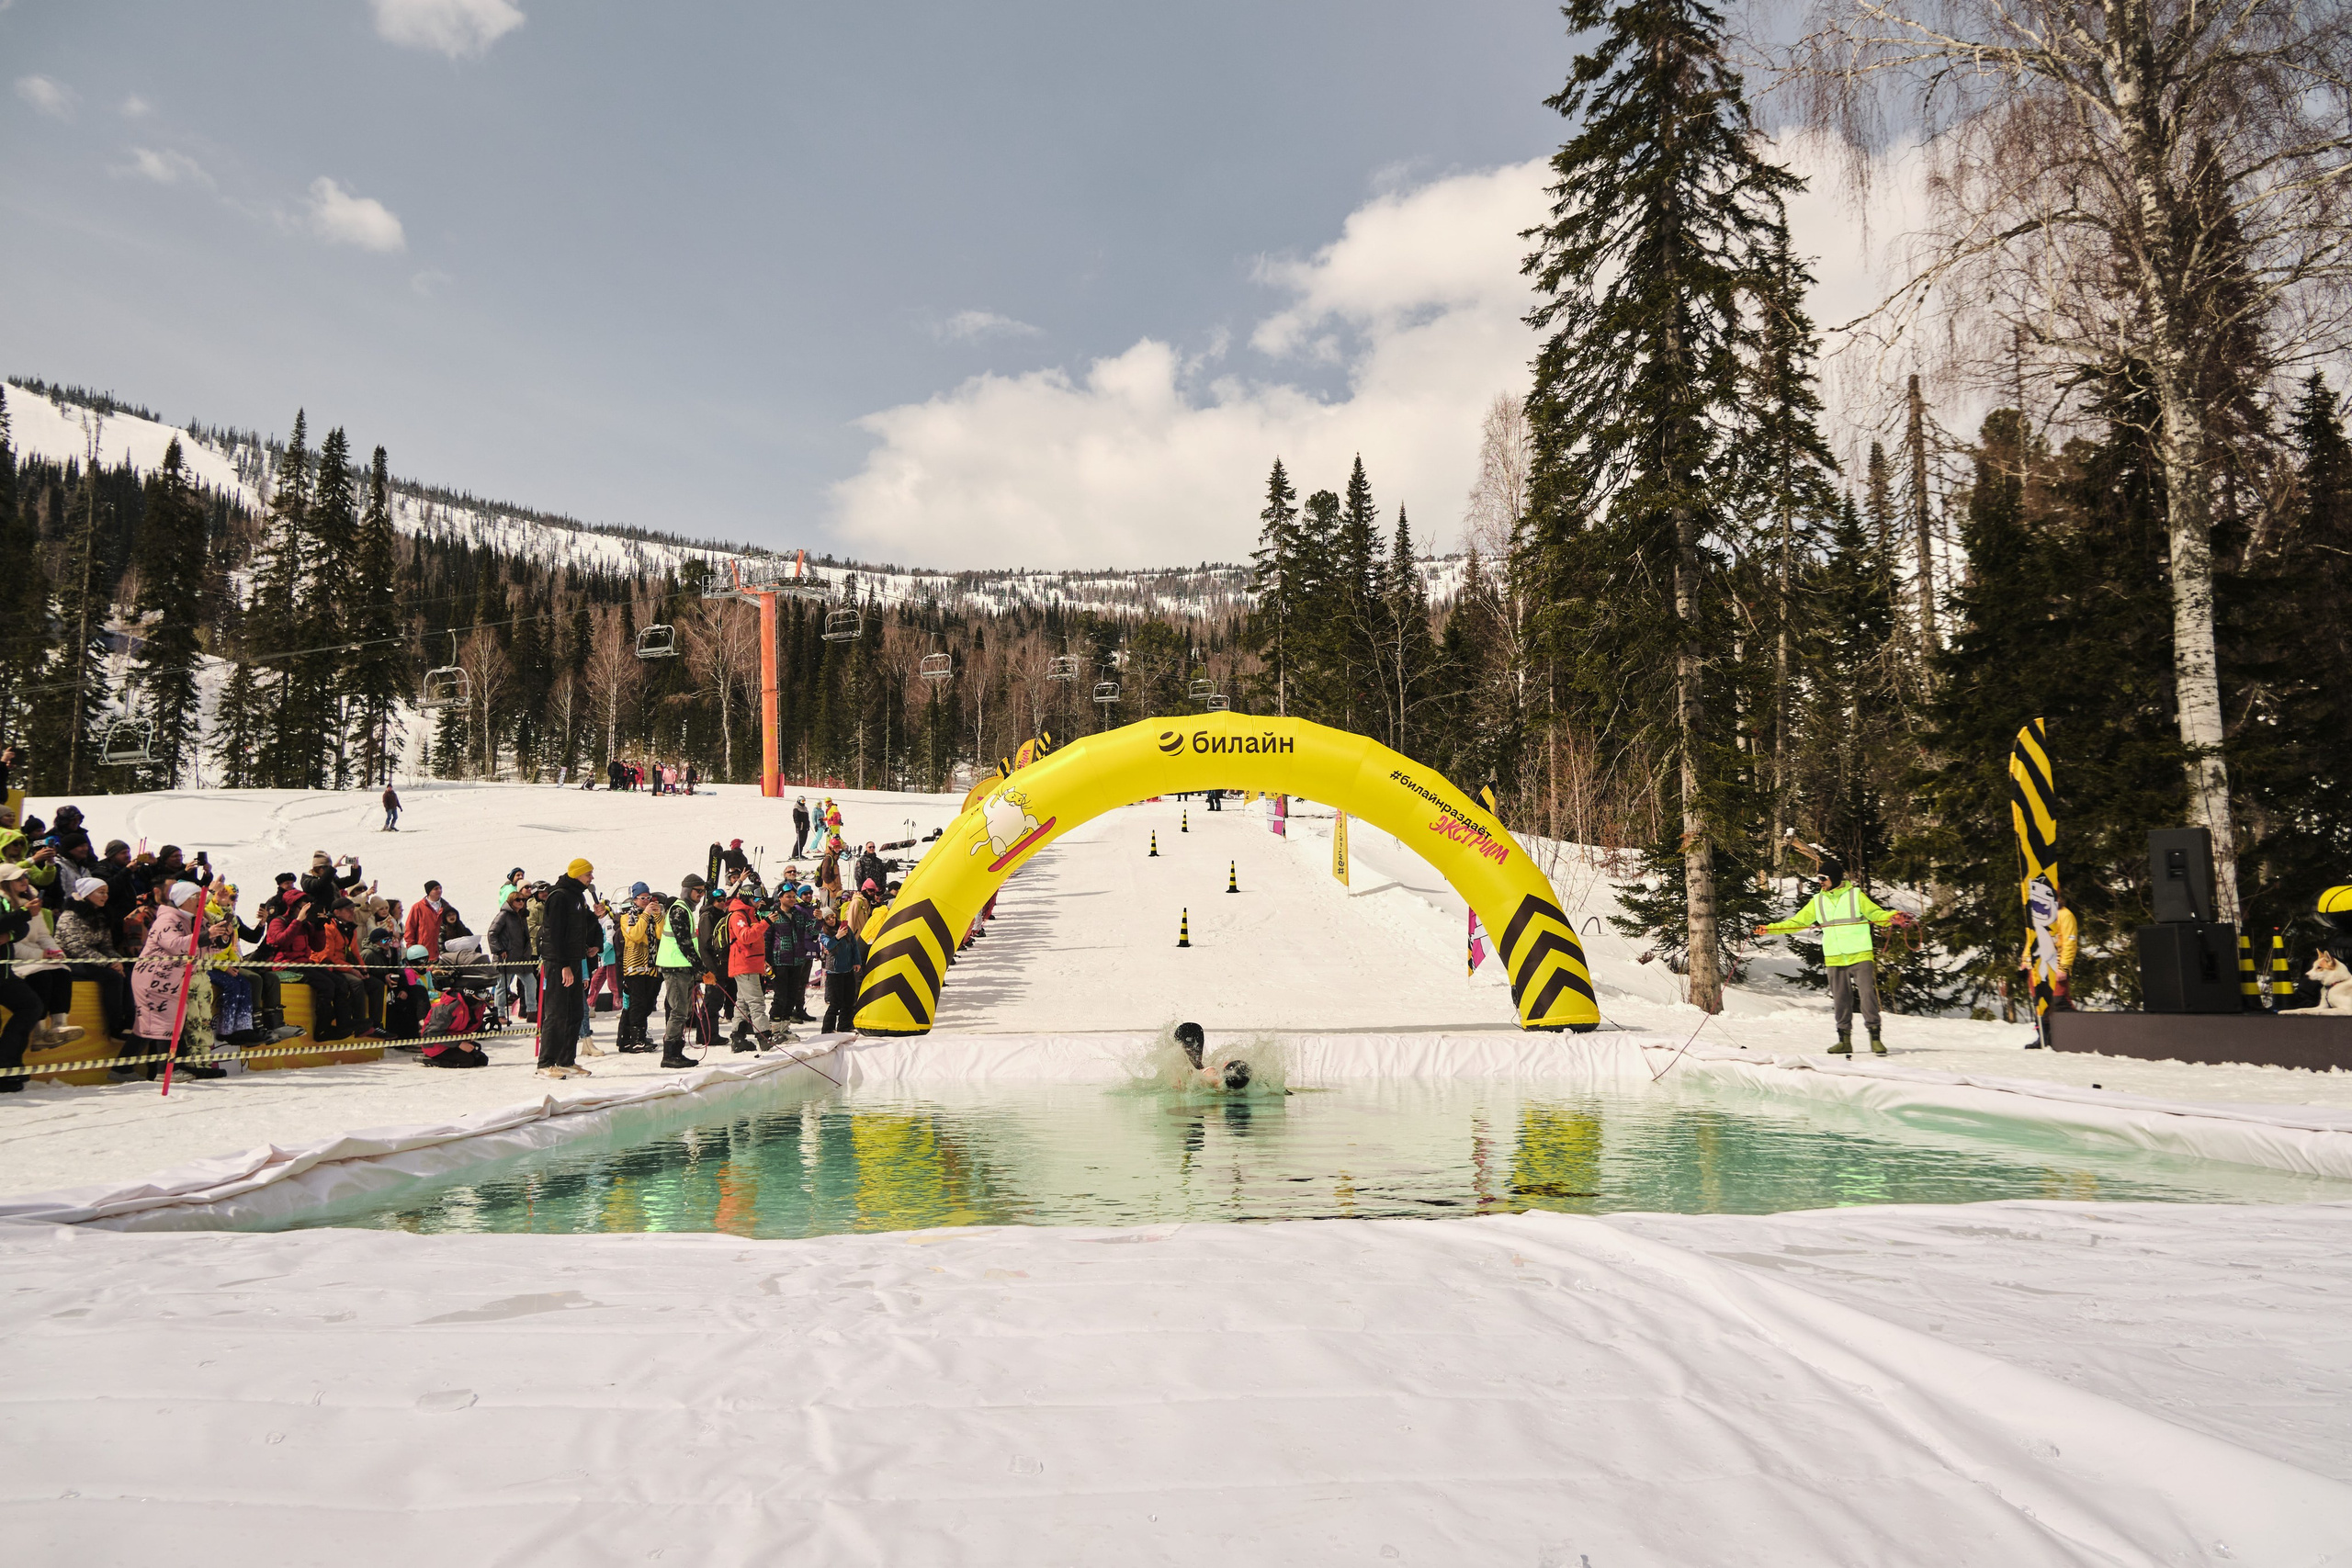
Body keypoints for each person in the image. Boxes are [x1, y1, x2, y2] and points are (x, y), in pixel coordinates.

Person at [1756, 860, 1917, 1054]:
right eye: (1819, 878)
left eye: (1823, 878)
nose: (1820, 882)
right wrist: (1769, 929)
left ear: (1835, 878)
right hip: (1834, 956)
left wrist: (1893, 916)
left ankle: (1875, 1038)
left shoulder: (1855, 895)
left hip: (1860, 954)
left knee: (1867, 996)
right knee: (1841, 1000)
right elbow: (1797, 922)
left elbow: (1876, 913)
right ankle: (1844, 1040)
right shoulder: (1818, 901)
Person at [130, 882, 227, 1079]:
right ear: (185, 900)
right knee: (165, 1025)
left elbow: (201, 948)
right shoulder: (168, 919)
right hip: (155, 978)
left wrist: (221, 938)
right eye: (197, 897)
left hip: (172, 979)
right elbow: (174, 945)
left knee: (156, 1026)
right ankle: (164, 1073)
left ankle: (122, 1069)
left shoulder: (190, 919)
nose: (202, 901)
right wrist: (206, 935)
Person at [1, 862, 85, 1064]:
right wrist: (39, 953)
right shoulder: (6, 902)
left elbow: (24, 931)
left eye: (25, 877)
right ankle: (10, 1061)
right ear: (5, 883)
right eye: (19, 878)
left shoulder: (29, 901)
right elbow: (11, 930)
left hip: (6, 969)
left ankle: (57, 1025)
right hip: (16, 963)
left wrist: (55, 951)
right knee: (39, 983)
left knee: (61, 971)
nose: (24, 881)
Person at [535, 859, 600, 1078]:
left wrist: (595, 929)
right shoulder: (559, 896)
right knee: (557, 1013)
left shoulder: (577, 896)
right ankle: (545, 1063)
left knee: (574, 1012)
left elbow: (583, 924)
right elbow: (555, 934)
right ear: (577, 874)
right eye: (588, 874)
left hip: (574, 960)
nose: (591, 878)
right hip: (558, 962)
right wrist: (564, 965)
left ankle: (566, 1060)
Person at [653, 874, 710, 1068]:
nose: (701, 895)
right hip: (675, 967)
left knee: (684, 1010)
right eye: (698, 891)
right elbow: (684, 944)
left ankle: (677, 1051)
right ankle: (670, 1054)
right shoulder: (679, 910)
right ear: (687, 890)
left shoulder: (685, 909)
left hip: (683, 968)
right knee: (678, 1011)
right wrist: (702, 970)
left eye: (703, 891)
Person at [2017, 877, 2077, 1042]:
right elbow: (2032, 940)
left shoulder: (2065, 915)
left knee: (2059, 1002)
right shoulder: (2037, 914)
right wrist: (2025, 962)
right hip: (2037, 967)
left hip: (2056, 966)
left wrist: (2064, 967)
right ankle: (2044, 1038)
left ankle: (2074, 1037)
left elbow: (2070, 943)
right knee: (2041, 1003)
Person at [723, 886, 780, 1051]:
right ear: (747, 898)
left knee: (743, 1003)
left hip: (751, 963)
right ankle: (764, 1037)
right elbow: (746, 937)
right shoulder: (738, 915)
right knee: (756, 1002)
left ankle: (738, 1038)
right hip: (744, 964)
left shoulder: (749, 914)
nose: (758, 902)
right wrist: (766, 922)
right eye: (755, 899)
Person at [616, 884, 664, 1052]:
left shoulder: (652, 916)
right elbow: (635, 935)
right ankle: (635, 1038)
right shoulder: (626, 917)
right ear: (635, 899)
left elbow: (660, 934)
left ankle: (634, 1036)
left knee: (648, 1002)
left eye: (648, 898)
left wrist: (658, 916)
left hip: (651, 965)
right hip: (635, 965)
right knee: (638, 1002)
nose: (646, 901)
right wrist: (645, 915)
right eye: (642, 898)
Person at [488, 886, 534, 1024]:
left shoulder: (523, 915)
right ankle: (500, 1014)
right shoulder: (504, 915)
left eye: (523, 900)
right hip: (506, 957)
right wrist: (499, 950)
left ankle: (532, 1011)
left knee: (531, 982)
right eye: (518, 900)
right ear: (511, 901)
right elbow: (492, 933)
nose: (521, 902)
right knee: (502, 986)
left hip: (521, 957)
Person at [819, 914, 866, 1033]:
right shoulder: (824, 932)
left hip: (848, 968)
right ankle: (827, 1028)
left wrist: (857, 961)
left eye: (832, 917)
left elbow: (854, 945)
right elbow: (828, 945)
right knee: (835, 1002)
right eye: (828, 918)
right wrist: (838, 937)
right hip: (834, 971)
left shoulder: (845, 928)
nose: (831, 920)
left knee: (849, 1000)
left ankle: (844, 1026)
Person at [1173, 1021, 1253, 1090]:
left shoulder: (1211, 1073)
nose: (1226, 1061)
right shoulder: (1237, 1086)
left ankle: (1191, 1064)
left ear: (1226, 1064)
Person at [405, 881, 453, 963]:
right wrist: (412, 948)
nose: (439, 891)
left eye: (440, 888)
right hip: (423, 952)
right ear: (429, 892)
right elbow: (410, 928)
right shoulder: (418, 907)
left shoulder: (446, 907)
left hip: (442, 952)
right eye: (436, 889)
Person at [792, 795, 810, 859]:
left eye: (804, 801)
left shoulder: (805, 808)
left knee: (803, 841)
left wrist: (808, 825)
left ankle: (800, 854)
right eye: (802, 801)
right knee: (799, 840)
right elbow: (795, 817)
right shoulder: (796, 808)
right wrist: (797, 825)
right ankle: (794, 855)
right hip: (800, 826)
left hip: (805, 826)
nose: (803, 802)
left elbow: (807, 818)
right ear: (799, 801)